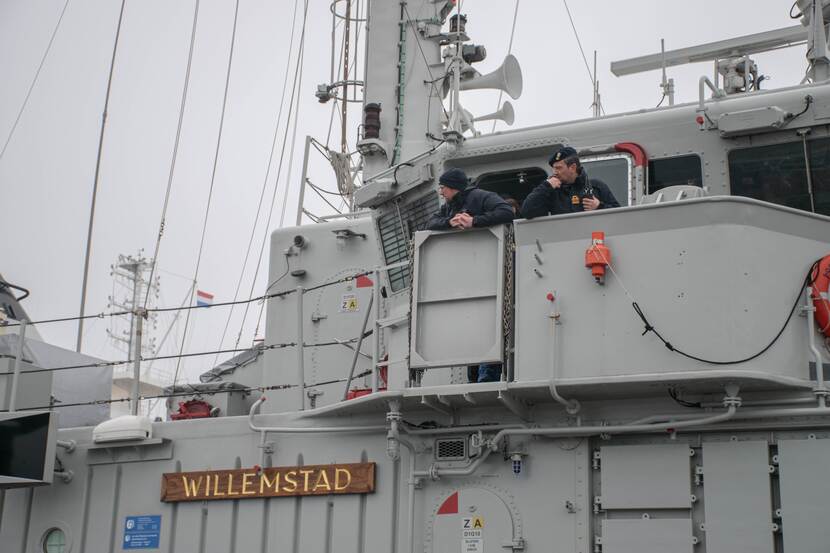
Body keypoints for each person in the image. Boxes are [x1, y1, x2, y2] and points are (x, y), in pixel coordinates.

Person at [521, 146, 620, 218]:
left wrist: (599, 206)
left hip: (595, 243)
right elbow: (527, 211)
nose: (555, 172)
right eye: (554, 168)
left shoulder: (596, 186)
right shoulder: (551, 191)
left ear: (572, 167)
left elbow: (619, 214)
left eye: (558, 168)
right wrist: (546, 186)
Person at [426, 168, 514, 230]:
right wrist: (449, 222)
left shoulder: (480, 196)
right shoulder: (448, 205)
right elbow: (430, 223)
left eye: (442, 188)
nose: (441, 192)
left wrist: (474, 221)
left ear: (453, 187)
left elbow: (507, 212)